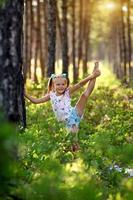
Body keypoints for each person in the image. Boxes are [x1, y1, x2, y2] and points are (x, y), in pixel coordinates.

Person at [25, 62, 101, 151]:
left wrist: (91, 76)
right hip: (66, 122)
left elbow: (80, 84)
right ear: (53, 86)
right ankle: (75, 156)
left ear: (66, 85)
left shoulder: (67, 92)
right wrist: (25, 94)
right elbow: (36, 101)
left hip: (74, 114)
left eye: (63, 84)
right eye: (58, 84)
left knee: (85, 95)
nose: (61, 87)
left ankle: (94, 74)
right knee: (72, 142)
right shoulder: (51, 96)